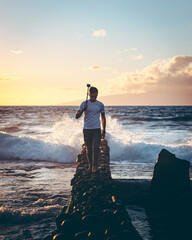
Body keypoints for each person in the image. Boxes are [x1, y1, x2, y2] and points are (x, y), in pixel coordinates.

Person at [75, 86, 106, 173]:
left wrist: (104, 130)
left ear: (97, 95)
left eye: (95, 96)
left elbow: (103, 117)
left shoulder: (100, 105)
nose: (93, 98)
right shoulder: (84, 104)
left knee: (96, 147)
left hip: (96, 129)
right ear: (88, 94)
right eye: (91, 96)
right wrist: (83, 110)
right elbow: (77, 116)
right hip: (87, 129)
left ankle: (95, 166)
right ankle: (90, 166)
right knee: (88, 149)